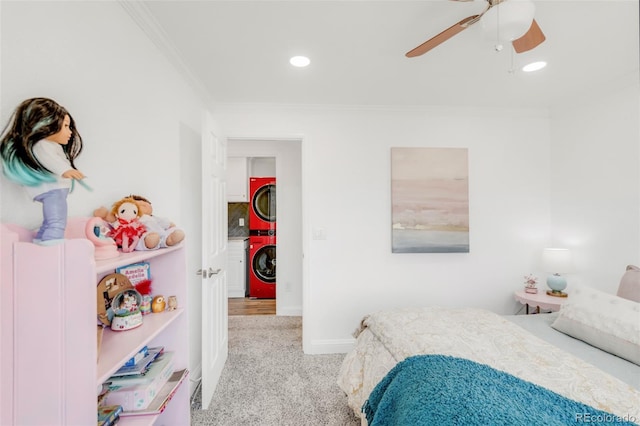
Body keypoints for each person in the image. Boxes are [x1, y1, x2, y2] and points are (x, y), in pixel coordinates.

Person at [0, 97, 85, 244]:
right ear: (47, 124)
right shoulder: (42, 145)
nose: (69, 132)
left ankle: (41, 240)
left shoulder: (48, 145)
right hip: (52, 190)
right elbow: (50, 160)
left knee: (51, 220)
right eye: (65, 126)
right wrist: (65, 170)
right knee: (57, 220)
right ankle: (52, 244)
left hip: (54, 190)